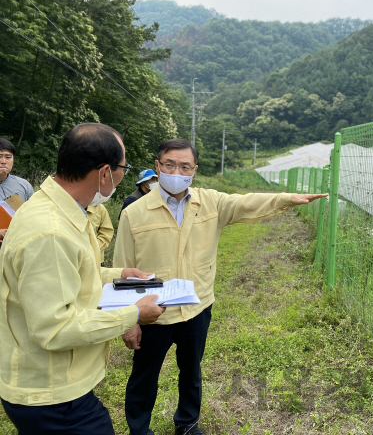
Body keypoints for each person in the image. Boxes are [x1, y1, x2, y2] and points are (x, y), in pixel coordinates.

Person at [114, 138, 327, 435]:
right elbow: (123, 267)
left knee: (191, 371)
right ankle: (139, 429)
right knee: (144, 375)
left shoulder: (210, 202)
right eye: (170, 164)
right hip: (153, 311)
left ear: (194, 170)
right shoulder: (134, 212)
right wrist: (130, 319)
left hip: (197, 306)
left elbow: (245, 203)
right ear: (157, 167)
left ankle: (187, 423)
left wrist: (285, 199)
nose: (177, 171)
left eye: (185, 166)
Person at [0, 123, 166, 435]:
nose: (122, 175)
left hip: (55, 387)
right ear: (105, 173)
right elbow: (55, 327)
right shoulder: (50, 231)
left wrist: (119, 275)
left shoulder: (61, 208)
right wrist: (134, 313)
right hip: (49, 396)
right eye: (122, 168)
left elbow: (69, 274)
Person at [0, 137, 34, 243]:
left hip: (16, 245)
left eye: (8, 157)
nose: (3, 161)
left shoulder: (24, 185)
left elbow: (33, 215)